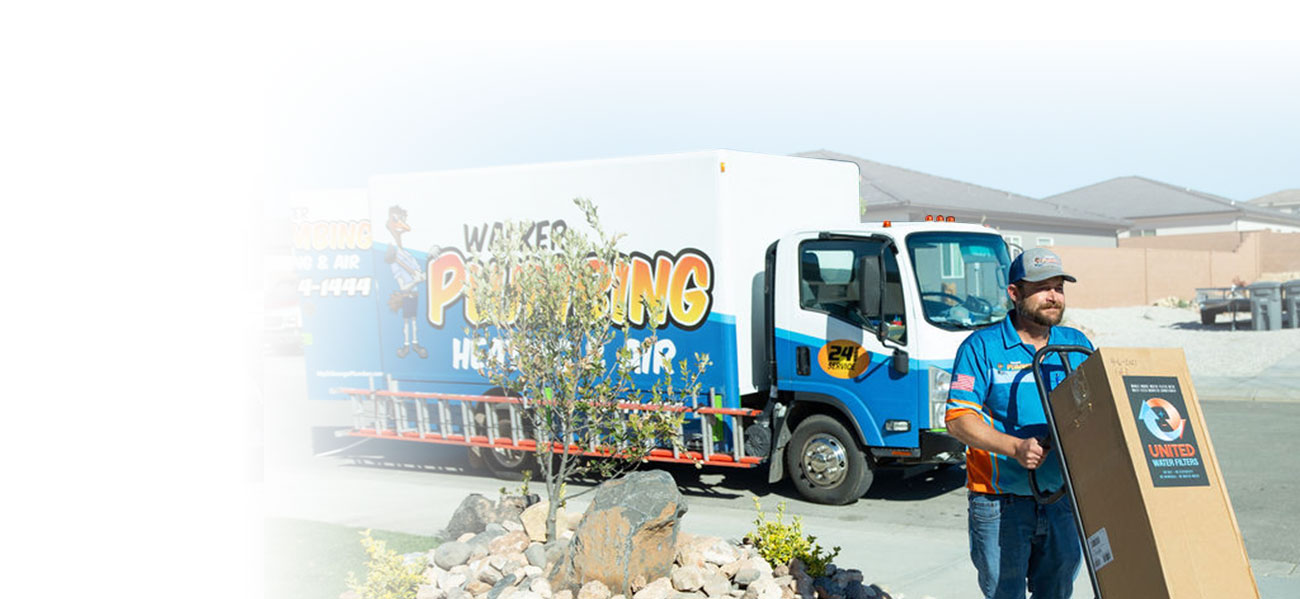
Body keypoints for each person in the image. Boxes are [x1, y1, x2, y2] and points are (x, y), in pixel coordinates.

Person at [945, 247, 1094, 599]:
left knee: (1056, 593)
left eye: (1058, 287)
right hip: (1000, 503)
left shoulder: (1076, 345)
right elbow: (958, 420)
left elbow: (1097, 409)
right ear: (1014, 293)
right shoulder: (981, 348)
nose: (1053, 296)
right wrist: (1015, 448)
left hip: (1061, 500)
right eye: (1042, 288)